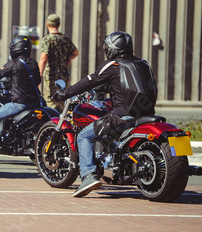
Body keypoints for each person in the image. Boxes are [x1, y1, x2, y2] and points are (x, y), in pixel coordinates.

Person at [52, 31, 157, 197]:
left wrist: (65, 93)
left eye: (107, 46)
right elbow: (120, 85)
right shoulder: (143, 64)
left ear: (113, 47)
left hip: (122, 116)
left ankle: (88, 176)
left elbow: (89, 81)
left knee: (84, 137)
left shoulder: (113, 65)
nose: (106, 50)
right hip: (145, 116)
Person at [0, 35, 41, 122]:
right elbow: (37, 80)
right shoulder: (33, 63)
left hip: (19, 104)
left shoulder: (14, 63)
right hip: (35, 103)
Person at [39, 14, 79, 111]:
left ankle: (53, 124)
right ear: (59, 24)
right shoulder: (65, 39)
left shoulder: (47, 39)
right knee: (62, 101)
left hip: (51, 78)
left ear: (47, 24)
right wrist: (68, 59)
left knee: (51, 102)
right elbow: (75, 52)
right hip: (63, 77)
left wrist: (39, 75)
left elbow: (44, 59)